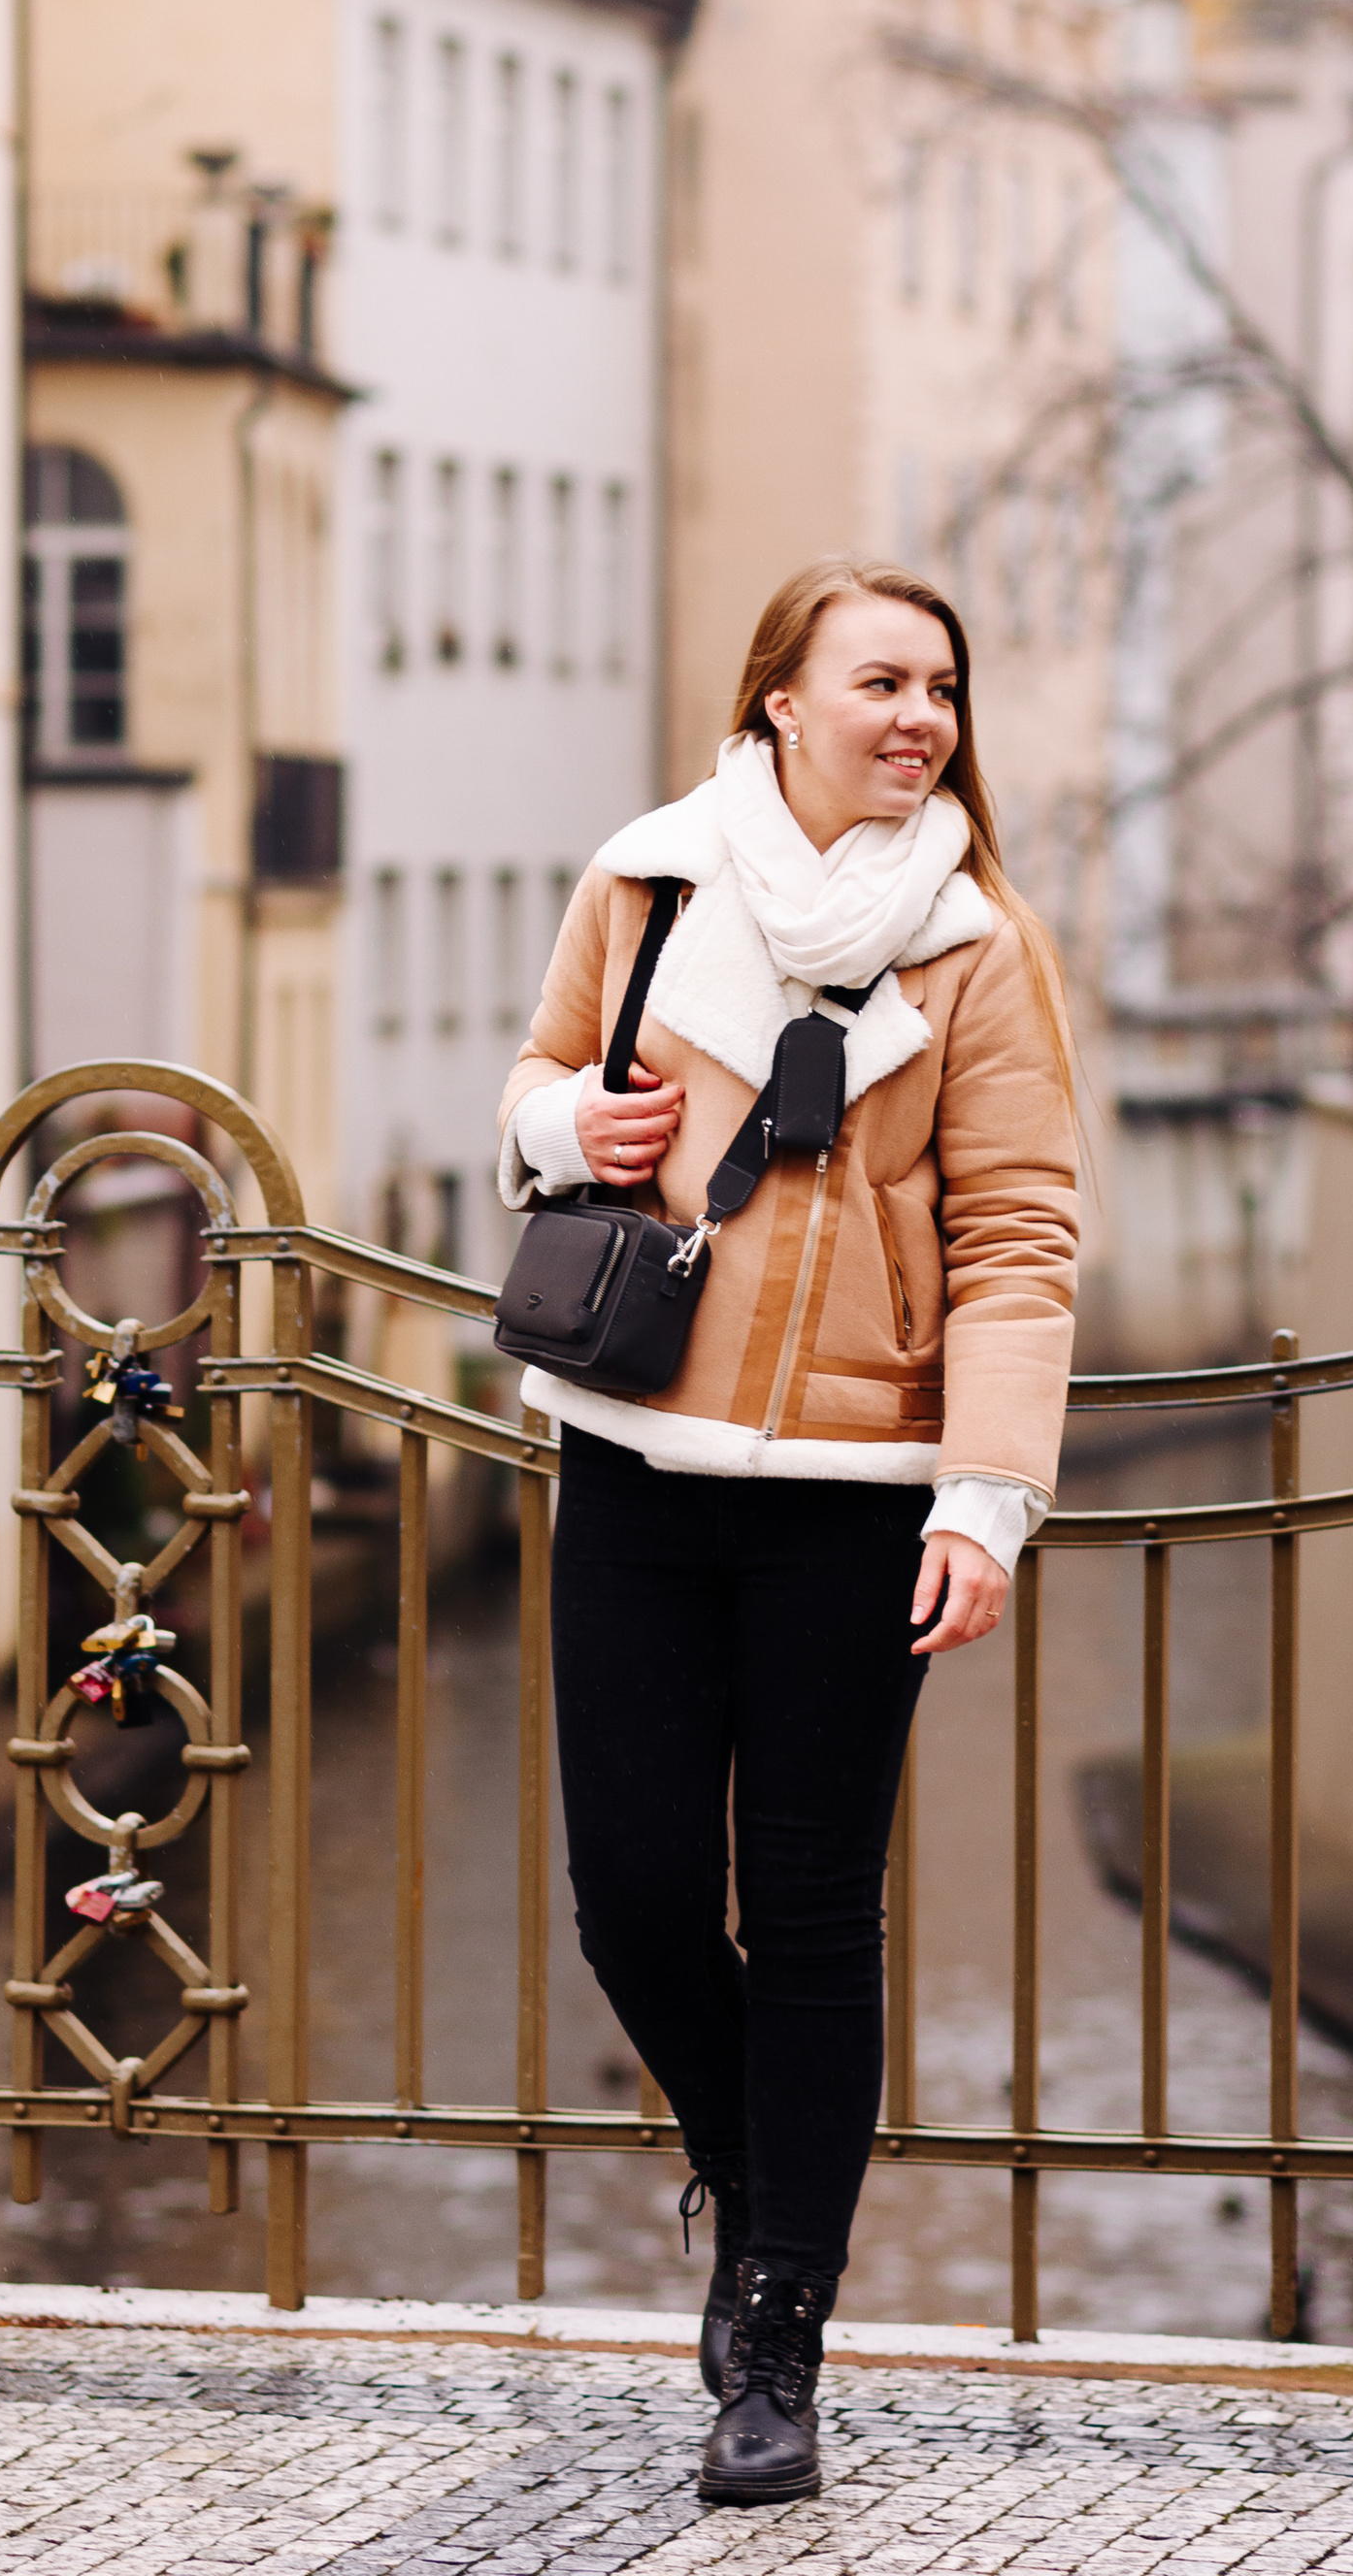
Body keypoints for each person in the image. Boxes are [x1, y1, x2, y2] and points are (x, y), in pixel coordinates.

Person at [497, 555, 1078, 2509]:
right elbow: (533, 1077)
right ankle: (756, 2164)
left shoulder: (975, 950)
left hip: (856, 1499)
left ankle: (776, 2330)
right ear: (778, 702)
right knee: (636, 1899)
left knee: (814, 1914)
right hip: (633, 1461)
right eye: (880, 684)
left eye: (938, 690)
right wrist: (570, 1132)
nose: (917, 719)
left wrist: (982, 1502)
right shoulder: (646, 880)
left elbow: (1017, 1241)